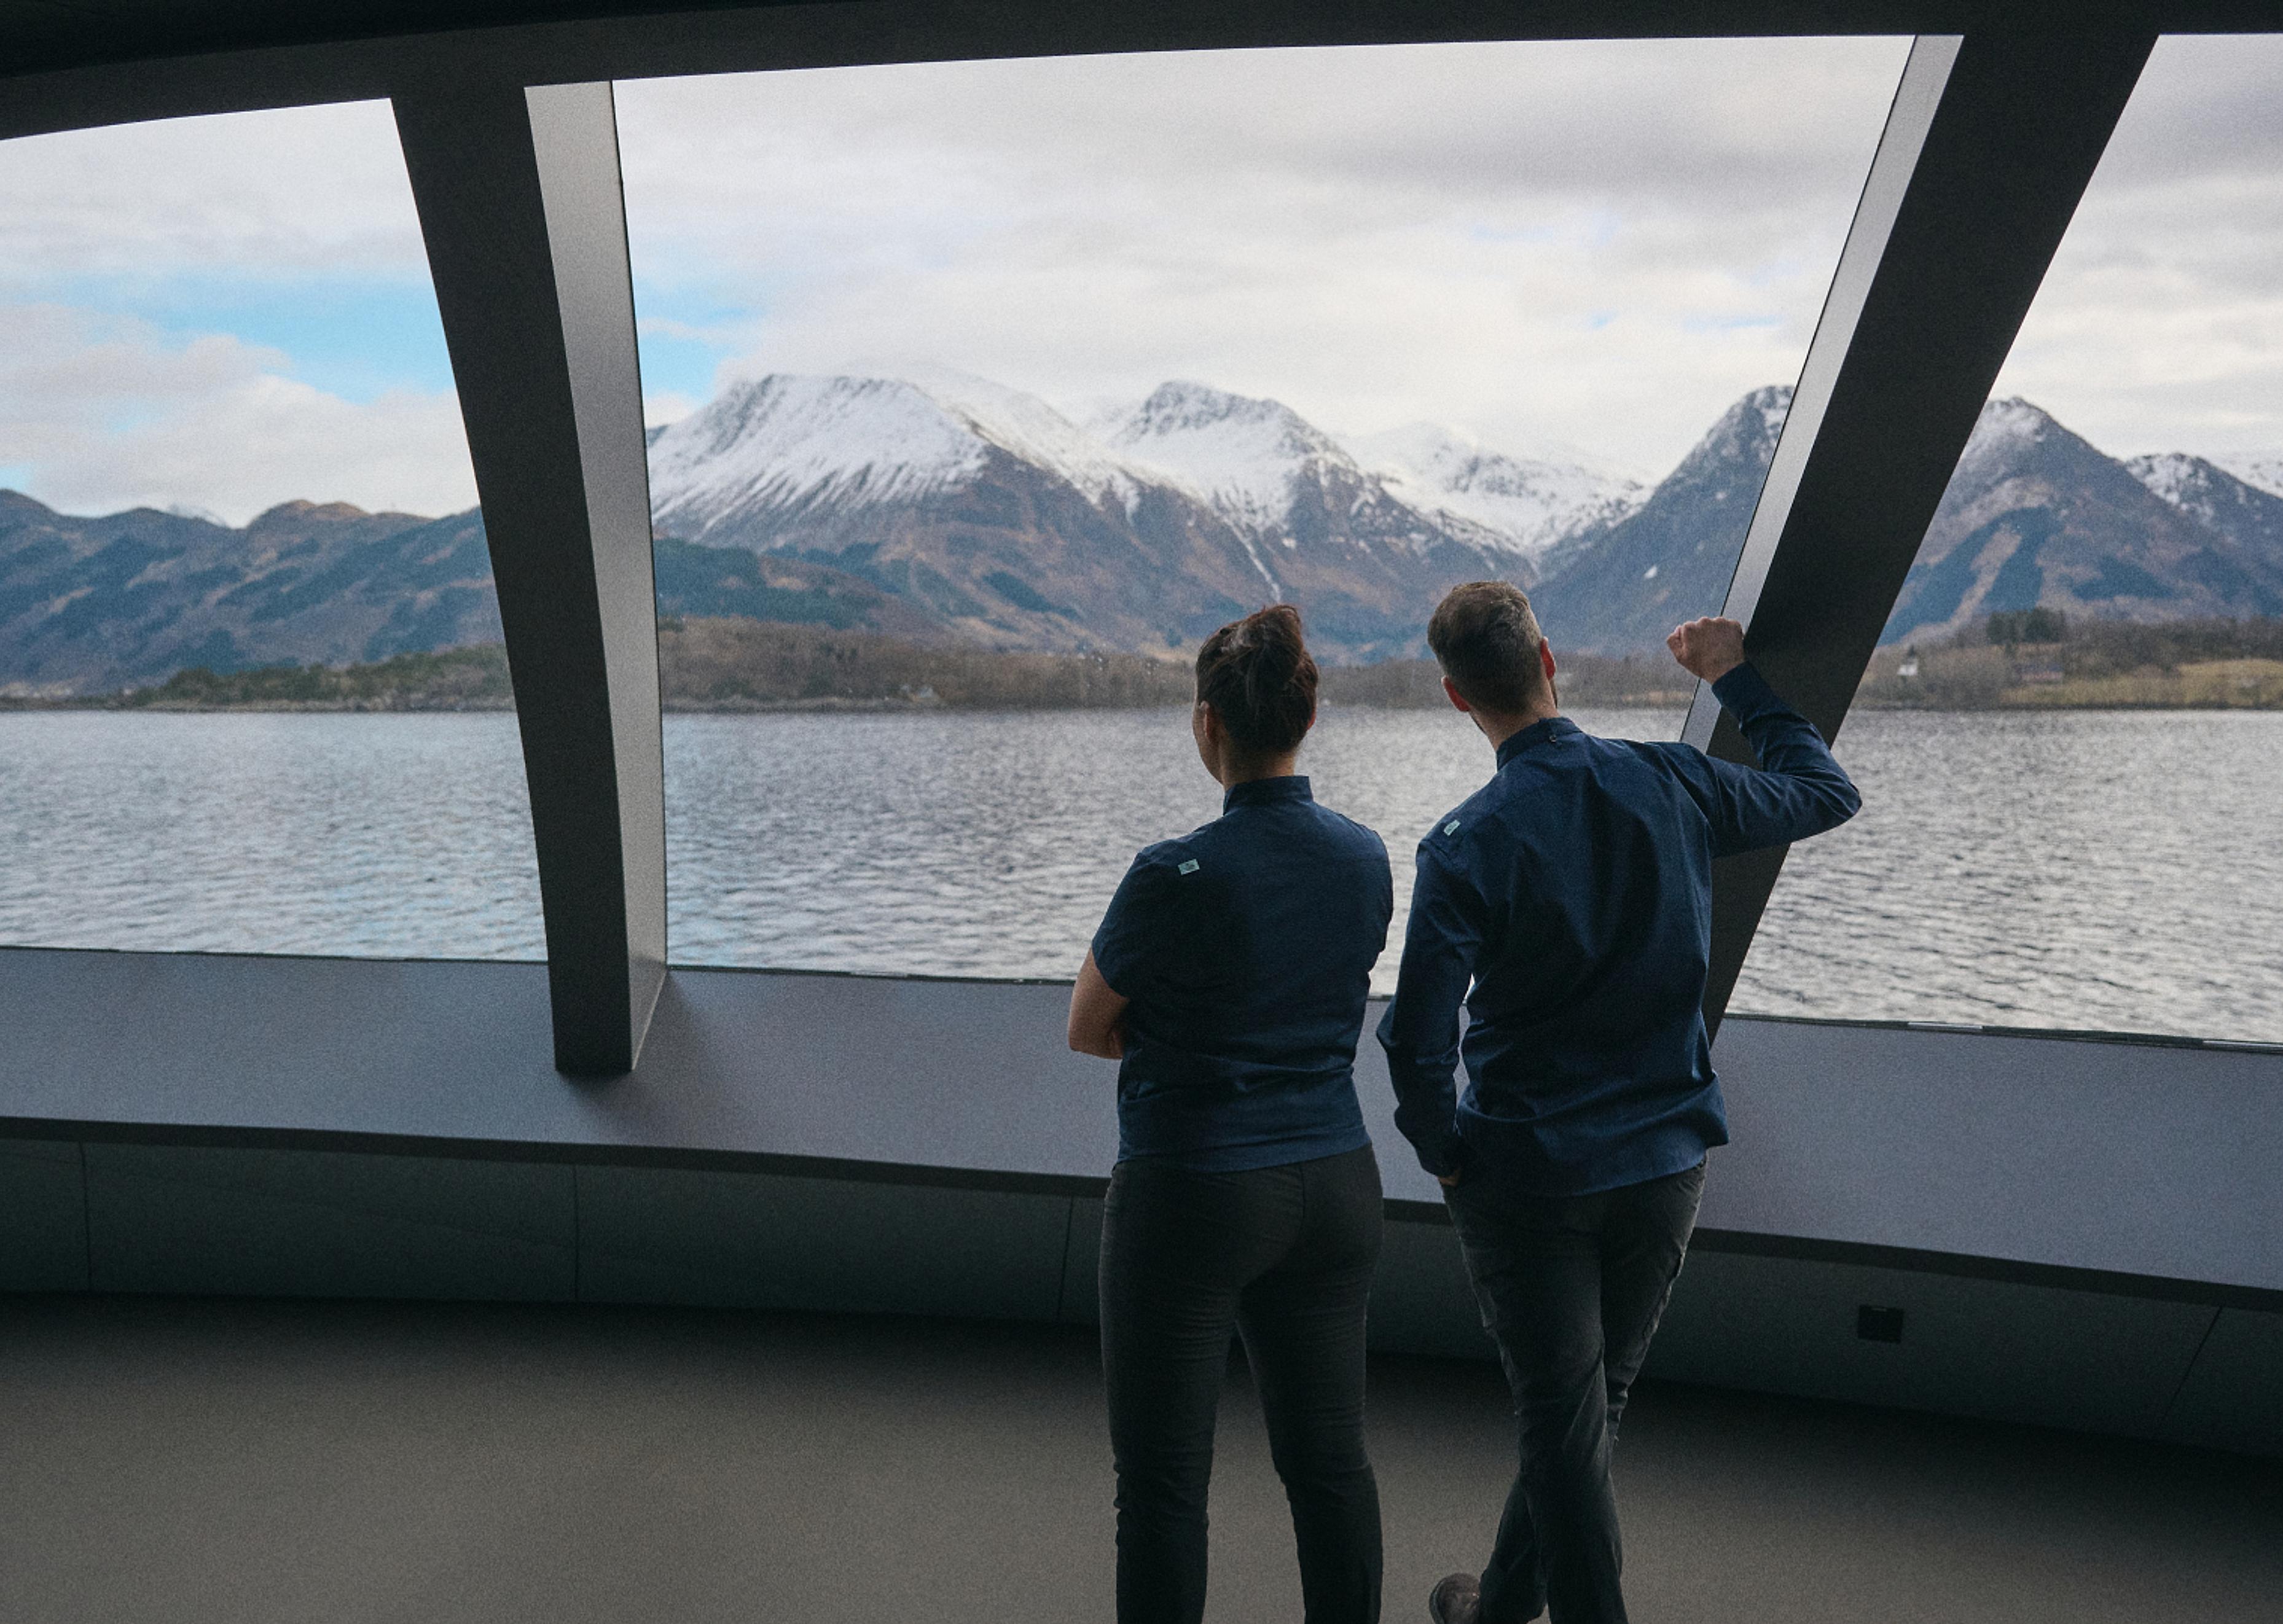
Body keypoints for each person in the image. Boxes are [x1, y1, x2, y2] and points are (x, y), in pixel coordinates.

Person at [1377, 583, 1860, 1624]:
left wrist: (1446, 1154)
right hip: (1664, 1164)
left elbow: (1415, 1037)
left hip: (1528, 1176)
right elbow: (1825, 793)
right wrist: (1734, 677)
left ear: (1459, 699)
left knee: (1564, 1421)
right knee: (1585, 1416)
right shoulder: (1672, 782)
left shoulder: (1466, 844)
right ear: (1549, 662)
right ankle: (1501, 1608)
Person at [1068, 603, 1395, 1624]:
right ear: (1309, 716)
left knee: (1165, 1487)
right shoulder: (1366, 857)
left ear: (1208, 724)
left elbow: (1087, 1026)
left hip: (1194, 1194)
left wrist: (1183, 1042)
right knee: (1331, 1463)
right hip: (1338, 1183)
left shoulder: (1173, 875)